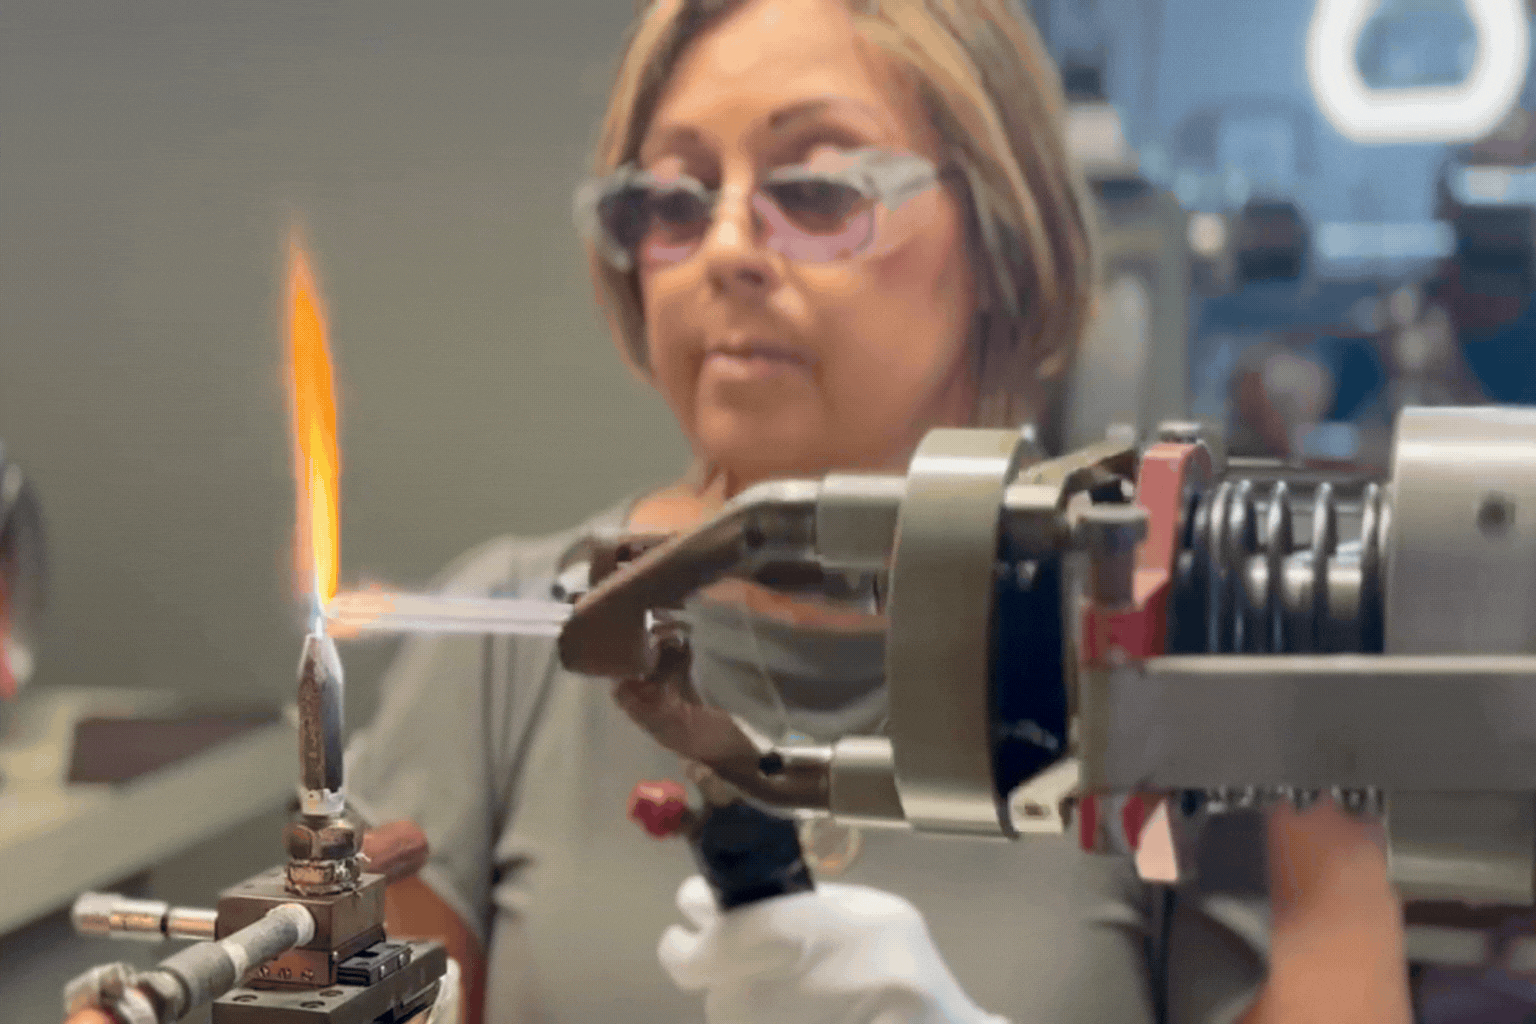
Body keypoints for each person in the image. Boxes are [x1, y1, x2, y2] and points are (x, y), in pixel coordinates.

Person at [63, 1, 1413, 1022]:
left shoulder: (1179, 654)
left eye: (817, 189)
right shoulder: (511, 647)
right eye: (669, 199)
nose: (721, 248)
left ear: (1000, 239)